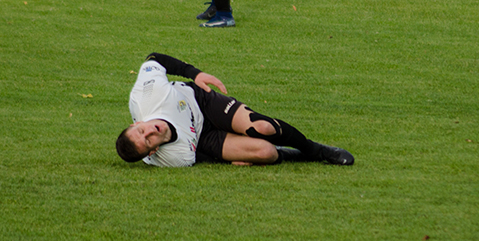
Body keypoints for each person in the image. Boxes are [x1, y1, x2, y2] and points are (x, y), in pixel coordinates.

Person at [116, 53, 355, 167]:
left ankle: (316, 150)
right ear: (153, 151)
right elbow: (197, 157)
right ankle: (292, 155)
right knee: (265, 153)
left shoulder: (147, 95)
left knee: (262, 127)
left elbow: (154, 59)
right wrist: (229, 159)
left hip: (200, 101)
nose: (150, 132)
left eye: (141, 131)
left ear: (136, 123)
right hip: (203, 138)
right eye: (148, 140)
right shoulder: (170, 158)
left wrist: (194, 73)